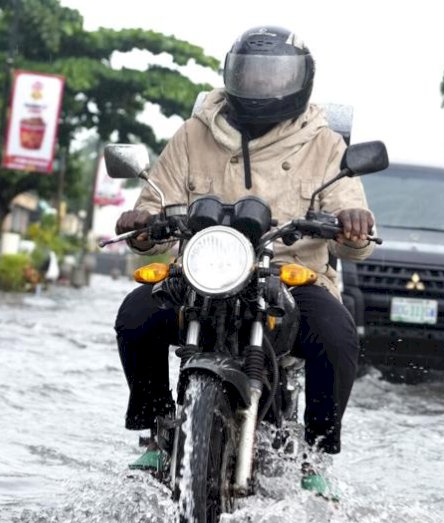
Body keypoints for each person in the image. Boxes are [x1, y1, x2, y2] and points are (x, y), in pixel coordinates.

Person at [112, 26, 376, 496]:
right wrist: (144, 220)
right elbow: (152, 212)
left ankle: (316, 454)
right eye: (252, 76)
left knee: (336, 335)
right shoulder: (194, 135)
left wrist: (352, 221)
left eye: (273, 77)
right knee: (136, 315)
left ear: (301, 80)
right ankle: (155, 425)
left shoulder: (324, 143)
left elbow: (356, 235)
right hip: (201, 271)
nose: (261, 88)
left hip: (290, 275)